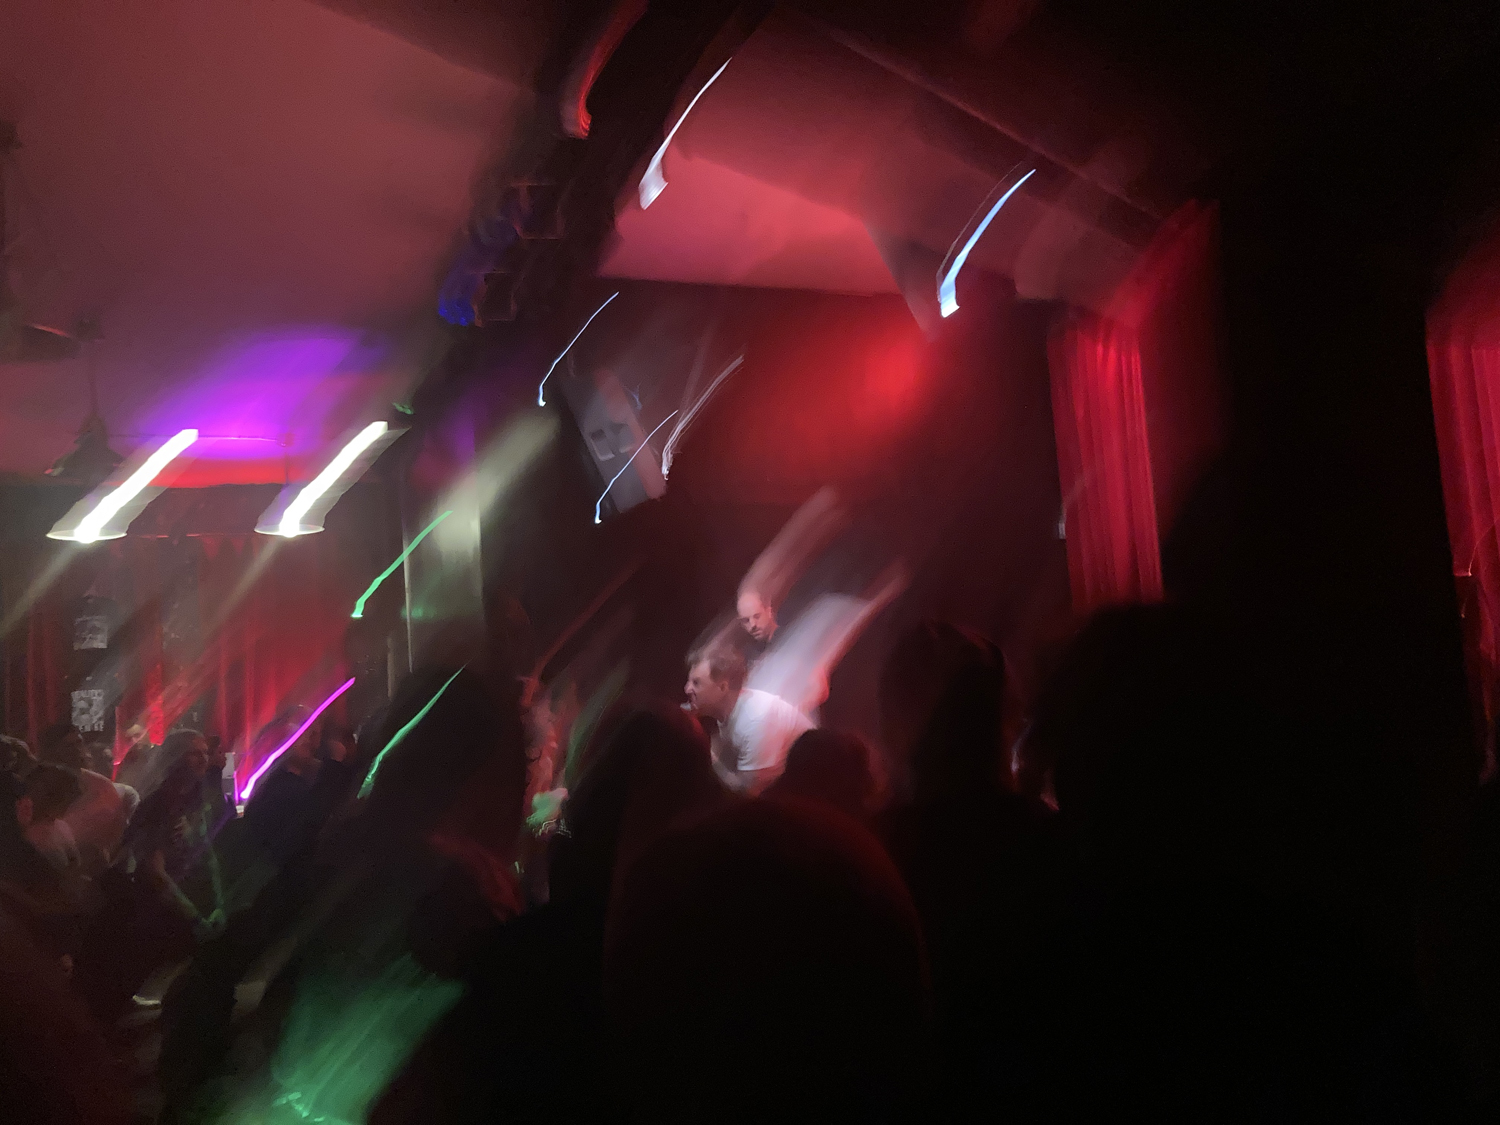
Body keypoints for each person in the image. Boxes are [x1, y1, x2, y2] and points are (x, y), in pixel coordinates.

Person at [685, 642, 813, 795]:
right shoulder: (731, 710)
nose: (687, 689)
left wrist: (709, 757)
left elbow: (747, 793)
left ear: (723, 687)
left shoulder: (756, 721)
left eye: (696, 683)